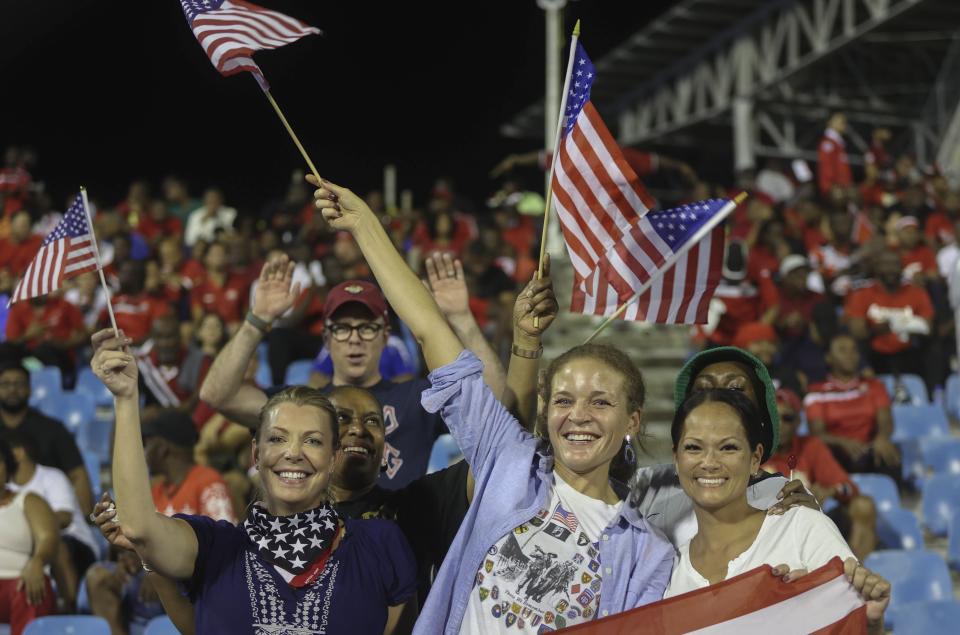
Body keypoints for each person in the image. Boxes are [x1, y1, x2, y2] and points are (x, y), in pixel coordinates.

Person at [308, 175, 674, 632]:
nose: (578, 415)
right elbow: (428, 328)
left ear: (632, 421)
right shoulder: (508, 463)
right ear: (546, 412)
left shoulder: (649, 551)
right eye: (563, 399)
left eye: (600, 402)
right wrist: (365, 224)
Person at [91, 330, 419, 634]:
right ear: (256, 455)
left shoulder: (379, 543)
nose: (293, 453)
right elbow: (139, 528)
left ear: (333, 458)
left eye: (313, 441)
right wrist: (125, 398)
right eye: (277, 439)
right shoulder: (215, 547)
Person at [200, 254, 507, 490]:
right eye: (343, 328)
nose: (355, 338)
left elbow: (495, 401)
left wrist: (461, 319)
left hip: (398, 550)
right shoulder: (301, 406)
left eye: (367, 328)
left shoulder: (417, 398)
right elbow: (217, 394)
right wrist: (257, 320)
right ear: (326, 338)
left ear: (386, 336)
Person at [662, 388, 891, 634]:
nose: (709, 462)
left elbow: (855, 622)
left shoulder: (802, 529)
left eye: (728, 447)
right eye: (694, 448)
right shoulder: (668, 570)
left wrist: (870, 625)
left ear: (755, 459)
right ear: (676, 458)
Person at [632, 346, 816, 547]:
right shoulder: (646, 486)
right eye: (703, 390)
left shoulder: (785, 497)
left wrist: (812, 526)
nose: (718, 398)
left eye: (735, 389)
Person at [763, 389, 877, 560]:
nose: (780, 424)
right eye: (774, 417)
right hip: (766, 527)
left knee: (863, 505)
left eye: (787, 418)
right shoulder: (752, 450)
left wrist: (831, 491)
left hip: (809, 526)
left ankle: (855, 573)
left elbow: (849, 488)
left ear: (798, 422)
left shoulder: (811, 446)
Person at [3, 429, 98, 609]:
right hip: (33, 545)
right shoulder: (8, 487)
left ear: (18, 453)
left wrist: (31, 526)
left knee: (57, 546)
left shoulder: (52, 477)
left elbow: (64, 519)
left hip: (76, 544)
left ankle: (70, 611)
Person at [0, 361, 93, 516]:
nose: (12, 389)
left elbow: (77, 474)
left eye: (19, 384)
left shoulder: (52, 429)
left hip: (53, 511)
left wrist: (86, 515)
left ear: (30, 389)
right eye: (5, 384)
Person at [804, 333, 900, 478]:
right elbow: (817, 433)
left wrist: (882, 438)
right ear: (828, 358)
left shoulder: (874, 386)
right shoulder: (816, 393)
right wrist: (843, 443)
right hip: (837, 451)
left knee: (888, 452)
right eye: (842, 350)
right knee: (823, 453)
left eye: (854, 350)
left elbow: (886, 421)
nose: (850, 355)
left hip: (870, 448)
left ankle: (891, 497)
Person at [0, 436, 59, 635]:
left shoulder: (28, 500)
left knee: (33, 590)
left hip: (19, 585)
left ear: (7, 466)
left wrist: (38, 561)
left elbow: (48, 538)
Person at [844, 250, 933, 378]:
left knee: (932, 349)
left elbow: (928, 327)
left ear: (902, 268)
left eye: (895, 264)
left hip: (909, 352)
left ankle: (932, 393)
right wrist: (876, 330)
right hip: (875, 353)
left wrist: (892, 325)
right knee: (858, 347)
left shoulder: (916, 292)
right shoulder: (862, 294)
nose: (891, 269)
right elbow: (857, 331)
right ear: (876, 267)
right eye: (885, 264)